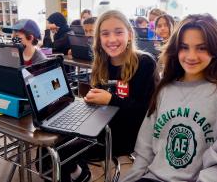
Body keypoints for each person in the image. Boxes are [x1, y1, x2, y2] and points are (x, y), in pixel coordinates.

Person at [122, 14, 217, 182]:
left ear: (216, 50)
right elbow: (145, 149)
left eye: (201, 48)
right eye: (184, 47)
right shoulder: (164, 89)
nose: (191, 56)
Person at [57, 10, 159, 182]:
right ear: (99, 38)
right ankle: (78, 172)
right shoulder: (101, 63)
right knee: (50, 145)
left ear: (130, 34)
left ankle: (78, 172)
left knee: (60, 150)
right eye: (105, 34)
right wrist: (92, 99)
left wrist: (110, 99)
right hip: (100, 125)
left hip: (127, 134)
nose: (112, 39)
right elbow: (101, 103)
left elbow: (144, 111)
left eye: (119, 32)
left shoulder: (144, 63)